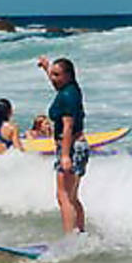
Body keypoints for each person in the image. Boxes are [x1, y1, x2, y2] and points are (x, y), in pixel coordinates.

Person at [37, 55, 88, 234]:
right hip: (80, 145)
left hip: (71, 147)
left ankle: (69, 240)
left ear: (68, 75)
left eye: (57, 75)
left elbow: (68, 127)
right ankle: (80, 234)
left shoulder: (66, 96)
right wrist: (47, 68)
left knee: (63, 197)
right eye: (52, 74)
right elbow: (57, 85)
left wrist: (65, 156)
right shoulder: (72, 90)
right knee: (73, 197)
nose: (53, 79)